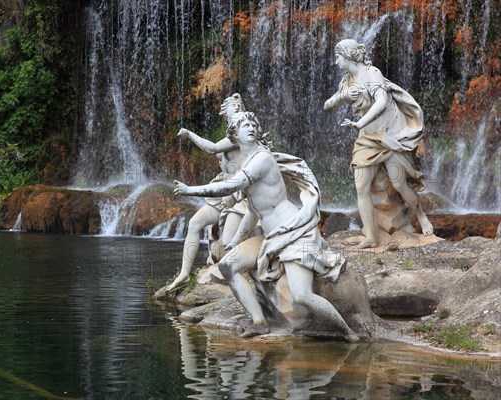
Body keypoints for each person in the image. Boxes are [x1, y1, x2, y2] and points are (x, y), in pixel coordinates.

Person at [175, 112, 358, 341]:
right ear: (234, 134)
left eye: (253, 124)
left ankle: (349, 333)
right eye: (244, 124)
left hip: (294, 232)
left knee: (301, 295)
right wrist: (235, 240)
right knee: (227, 266)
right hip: (271, 236)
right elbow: (253, 211)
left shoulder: (262, 158)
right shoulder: (247, 161)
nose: (250, 127)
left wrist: (190, 190)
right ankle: (259, 322)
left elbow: (231, 185)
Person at [324, 39, 433, 248]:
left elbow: (382, 103)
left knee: (399, 183)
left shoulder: (372, 74)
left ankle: (421, 215)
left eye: (338, 57)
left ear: (348, 56)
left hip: (389, 136)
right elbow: (327, 105)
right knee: (361, 186)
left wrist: (358, 123)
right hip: (366, 139)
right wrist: (344, 96)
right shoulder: (347, 82)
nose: (336, 62)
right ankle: (371, 237)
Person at [167, 94, 249, 292]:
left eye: (239, 106)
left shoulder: (243, 133)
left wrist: (188, 134)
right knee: (194, 223)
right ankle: (184, 273)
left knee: (229, 242)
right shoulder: (230, 135)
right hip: (223, 192)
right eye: (233, 106)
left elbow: (211, 149)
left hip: (239, 195)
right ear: (225, 113)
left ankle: (241, 277)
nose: (237, 108)